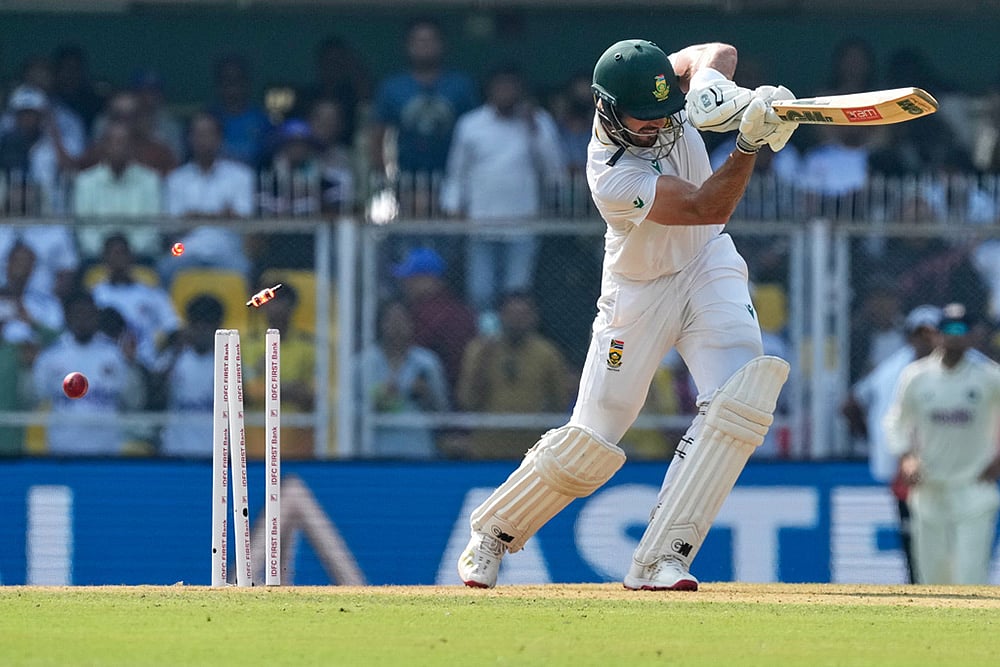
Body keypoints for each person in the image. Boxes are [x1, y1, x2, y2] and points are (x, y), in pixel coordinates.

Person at [456, 38, 799, 591]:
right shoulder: (610, 173)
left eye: (667, 116)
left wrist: (712, 88)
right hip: (639, 291)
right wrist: (748, 143)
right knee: (593, 438)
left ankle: (665, 559)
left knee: (741, 401)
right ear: (607, 110)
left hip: (708, 263)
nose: (659, 129)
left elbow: (720, 50)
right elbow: (703, 205)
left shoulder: (664, 101)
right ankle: (493, 533)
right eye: (644, 122)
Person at [884, 303, 1000, 585]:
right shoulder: (916, 376)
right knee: (931, 580)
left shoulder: (989, 377)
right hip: (928, 490)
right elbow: (896, 422)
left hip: (974, 488)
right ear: (937, 335)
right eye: (948, 329)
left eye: (961, 330)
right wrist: (906, 458)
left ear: (974, 336)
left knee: (969, 578)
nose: (954, 336)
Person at [440, 64, 567, 319]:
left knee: (517, 291)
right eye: (500, 86)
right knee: (481, 292)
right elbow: (457, 173)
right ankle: (487, 343)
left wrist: (534, 130)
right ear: (490, 90)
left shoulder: (539, 122)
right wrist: (453, 208)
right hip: (480, 223)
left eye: (511, 86)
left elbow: (555, 172)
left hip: (522, 224)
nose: (506, 92)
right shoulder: (471, 124)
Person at [842, 304, 942, 583]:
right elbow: (850, 404)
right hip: (906, 466)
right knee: (911, 530)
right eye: (920, 334)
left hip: (947, 464)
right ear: (910, 336)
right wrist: (874, 441)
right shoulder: (894, 370)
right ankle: (920, 586)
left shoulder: (960, 366)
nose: (926, 340)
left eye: (932, 334)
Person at [454, 291, 573, 459]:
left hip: (533, 450)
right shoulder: (479, 350)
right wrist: (483, 363)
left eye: (523, 315)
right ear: (500, 316)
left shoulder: (547, 353)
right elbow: (466, 400)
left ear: (534, 317)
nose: (517, 321)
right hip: (486, 449)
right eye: (511, 314)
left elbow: (559, 402)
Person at [358, 298, 449, 459]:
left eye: (402, 319)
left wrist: (426, 395)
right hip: (375, 448)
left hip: (417, 447)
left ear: (411, 324)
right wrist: (376, 403)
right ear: (380, 324)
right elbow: (348, 409)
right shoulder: (363, 364)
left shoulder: (427, 362)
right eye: (391, 320)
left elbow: (442, 410)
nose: (397, 326)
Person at [157, 294, 223, 457]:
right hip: (176, 451)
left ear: (217, 327)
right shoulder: (173, 358)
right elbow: (155, 396)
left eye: (207, 326)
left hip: (215, 455)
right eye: (197, 325)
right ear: (189, 326)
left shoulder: (227, 360)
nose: (202, 331)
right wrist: (174, 355)